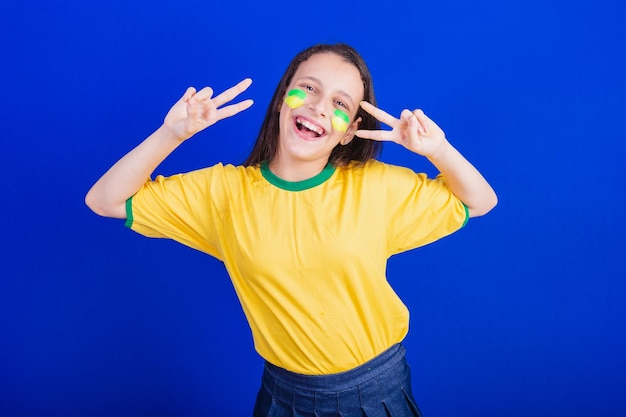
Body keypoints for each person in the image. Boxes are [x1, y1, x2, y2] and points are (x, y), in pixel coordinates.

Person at [85, 43, 497, 417]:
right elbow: (105, 200)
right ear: (284, 98)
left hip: (375, 392)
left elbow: (480, 201)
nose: (319, 108)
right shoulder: (223, 193)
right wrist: (171, 134)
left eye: (339, 103)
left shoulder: (375, 186)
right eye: (309, 88)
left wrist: (437, 150)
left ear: (349, 130)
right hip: (284, 396)